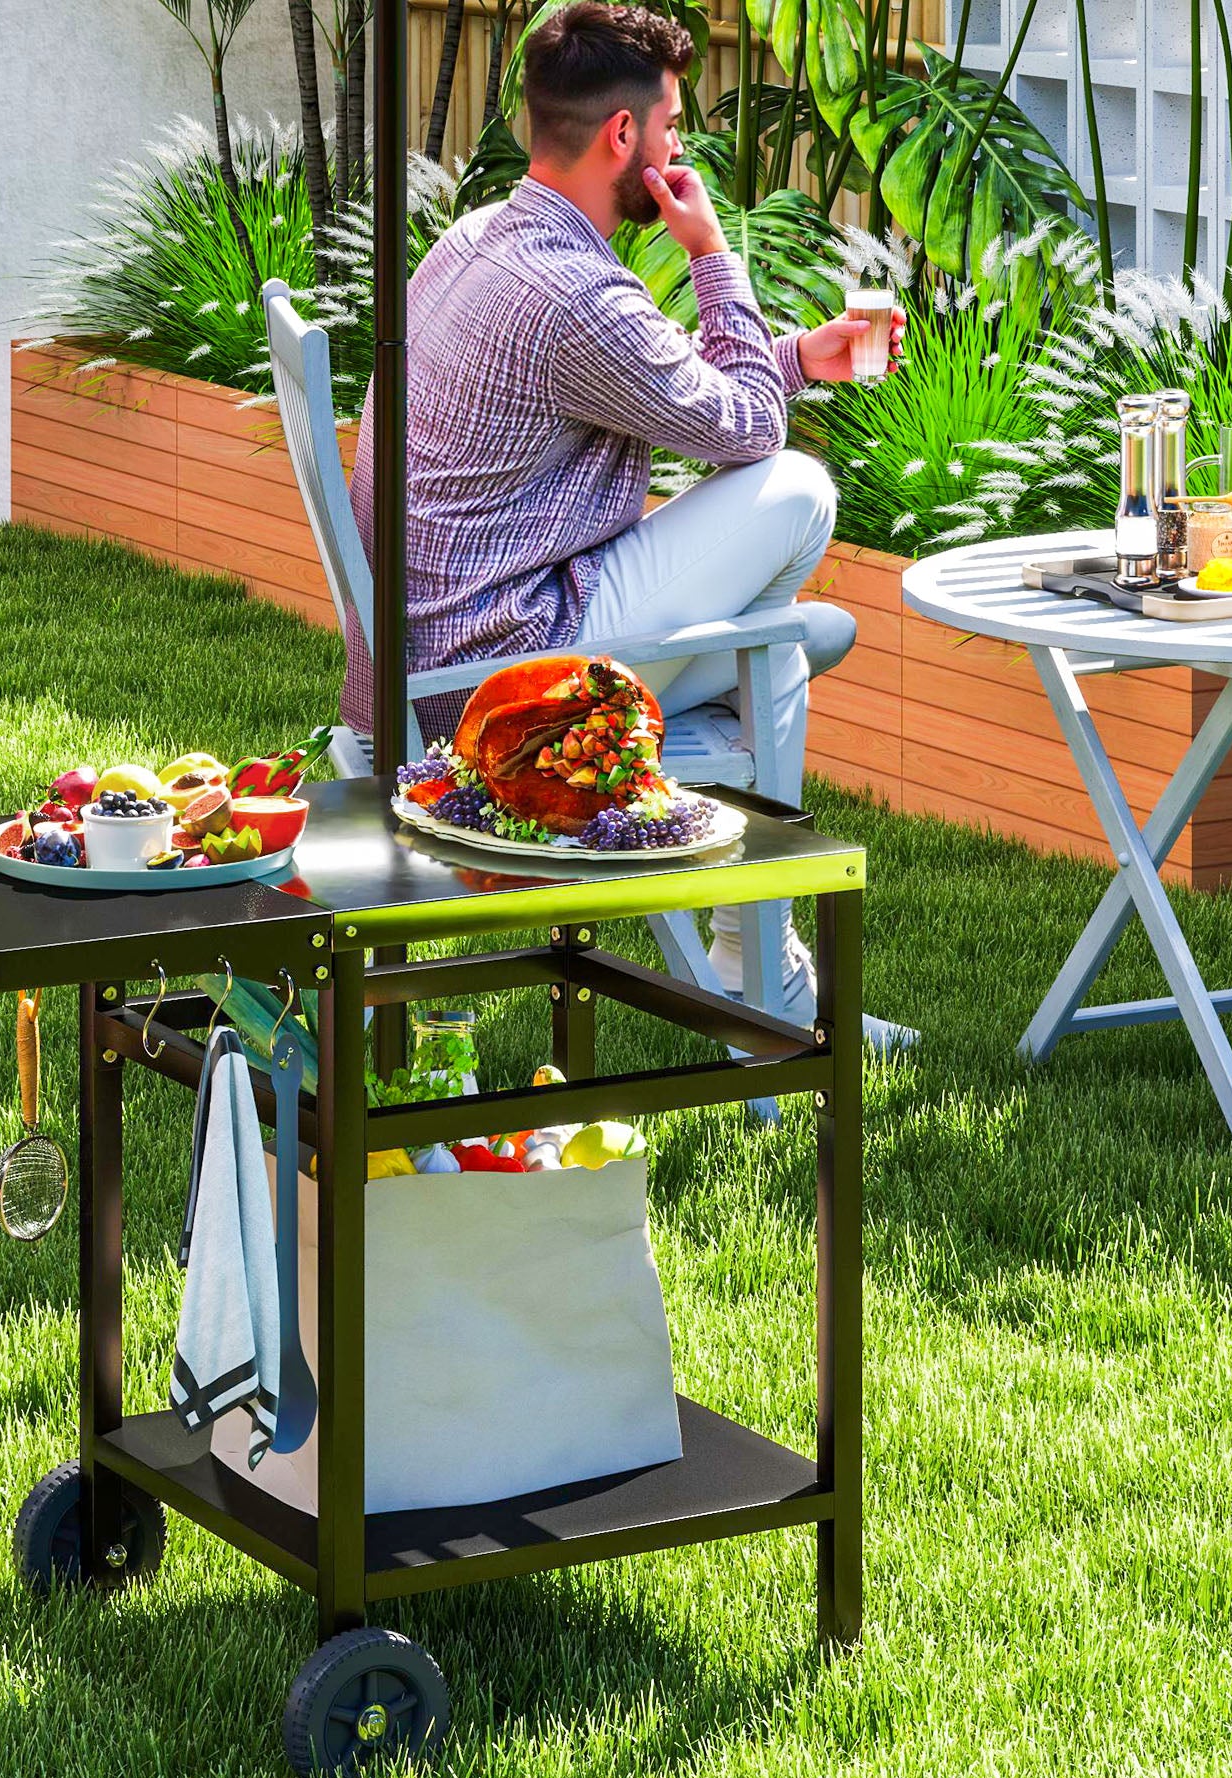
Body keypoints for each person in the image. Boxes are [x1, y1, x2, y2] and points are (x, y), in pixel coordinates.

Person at [343, 0, 907, 1036]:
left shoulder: (477, 241)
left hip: (426, 665)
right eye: (671, 126)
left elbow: (670, 389)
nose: (678, 145)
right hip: (502, 694)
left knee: (770, 652)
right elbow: (744, 433)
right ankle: (763, 982)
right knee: (796, 495)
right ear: (622, 137)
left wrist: (793, 357)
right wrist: (710, 249)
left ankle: (765, 967)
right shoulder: (573, 296)